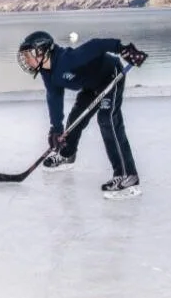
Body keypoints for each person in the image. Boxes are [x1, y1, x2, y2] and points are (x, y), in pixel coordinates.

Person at [17, 31, 149, 200]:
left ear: (42, 52)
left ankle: (128, 175)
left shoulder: (67, 60)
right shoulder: (46, 71)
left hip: (110, 77)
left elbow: (96, 45)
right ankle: (67, 155)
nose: (26, 60)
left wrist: (122, 48)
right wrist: (55, 128)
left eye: (28, 55)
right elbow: (54, 97)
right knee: (74, 121)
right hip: (91, 86)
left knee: (107, 121)